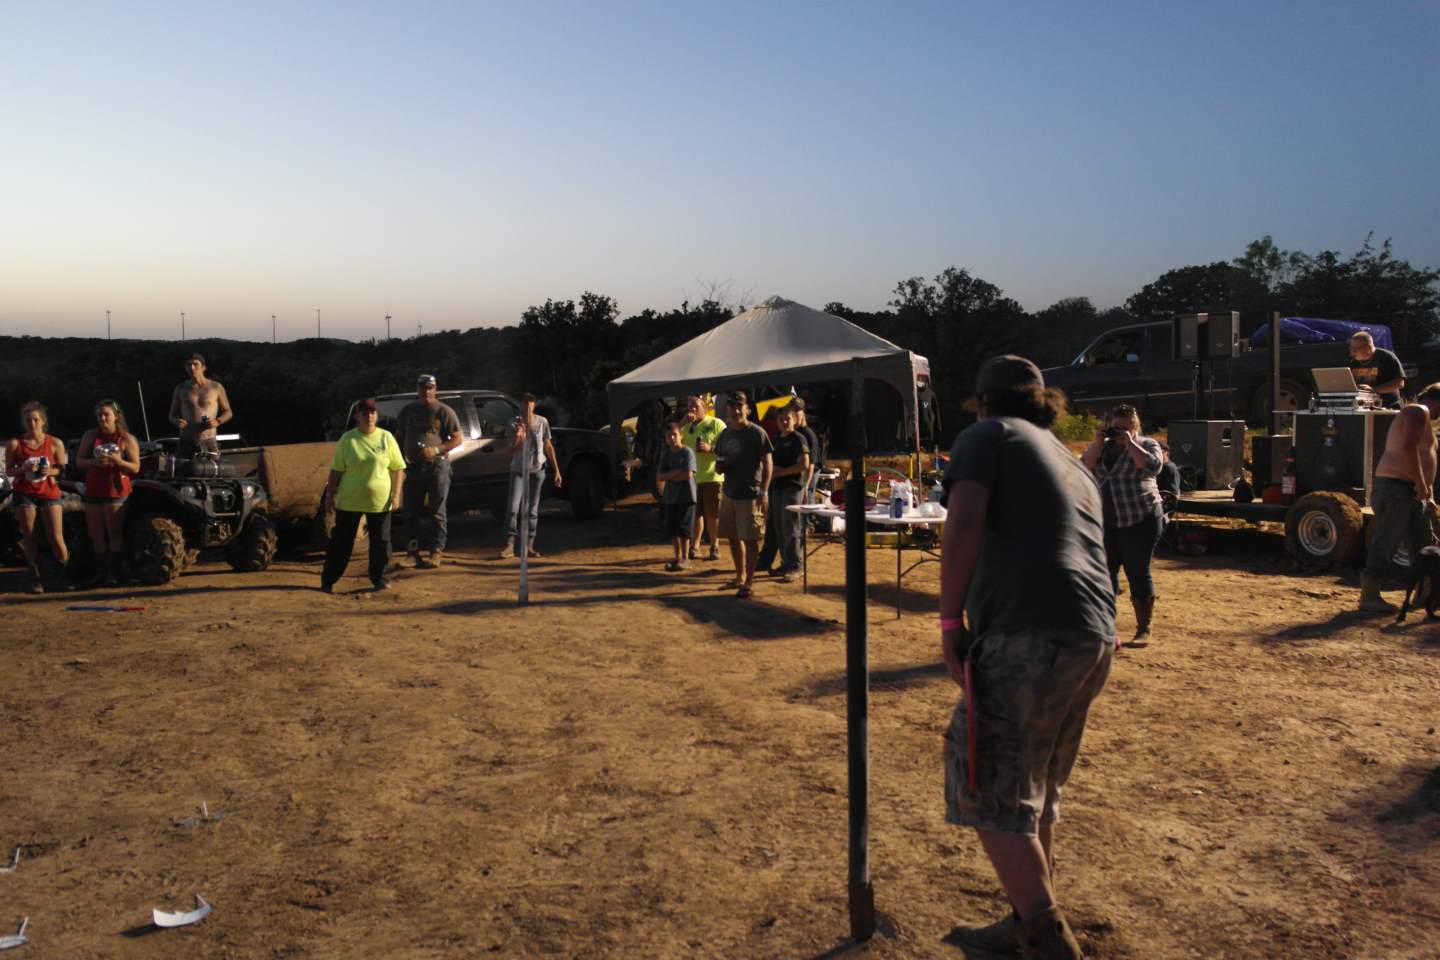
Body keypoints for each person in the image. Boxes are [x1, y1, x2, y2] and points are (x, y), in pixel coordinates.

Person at [939, 355, 1114, 960]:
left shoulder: (987, 435)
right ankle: (1025, 923)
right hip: (1091, 635)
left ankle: (1048, 942)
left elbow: (964, 518)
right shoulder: (1069, 459)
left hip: (1030, 633)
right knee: (1034, 787)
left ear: (984, 402)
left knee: (986, 785)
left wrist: (949, 620)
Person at [1081, 403, 1165, 645]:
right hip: (1106, 521)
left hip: (1140, 517)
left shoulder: (1147, 444)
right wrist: (1097, 442)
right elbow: (1084, 467)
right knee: (1105, 573)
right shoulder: (1102, 448)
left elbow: (1152, 467)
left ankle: (1144, 628)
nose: (1119, 432)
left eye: (1125, 428)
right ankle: (1105, 626)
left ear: (1135, 427)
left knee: (1137, 571)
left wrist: (1130, 442)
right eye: (1116, 427)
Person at [1358, 382, 1440, 612]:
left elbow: (1424, 457)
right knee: (1387, 541)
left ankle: (1426, 594)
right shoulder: (1417, 411)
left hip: (1413, 490)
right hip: (1396, 488)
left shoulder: (1424, 419)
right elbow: (1408, 448)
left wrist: (1429, 495)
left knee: (1424, 543)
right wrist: (1421, 484)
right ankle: (1370, 596)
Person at [321, 398, 406, 593]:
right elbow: (336, 470)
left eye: (372, 413)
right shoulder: (348, 439)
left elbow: (398, 468)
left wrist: (396, 495)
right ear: (357, 416)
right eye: (364, 413)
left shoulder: (386, 438)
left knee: (381, 543)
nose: (369, 416)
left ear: (377, 415)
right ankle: (328, 580)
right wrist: (330, 495)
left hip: (380, 502)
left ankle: (379, 578)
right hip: (350, 501)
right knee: (341, 542)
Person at [396, 374, 463, 568]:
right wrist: (398, 459)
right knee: (411, 511)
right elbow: (399, 436)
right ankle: (412, 552)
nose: (427, 391)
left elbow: (457, 439)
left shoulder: (444, 411)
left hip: (437, 466)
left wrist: (436, 449)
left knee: (437, 511)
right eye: (423, 387)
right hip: (413, 467)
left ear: (435, 389)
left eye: (430, 387)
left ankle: (436, 551)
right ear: (417, 389)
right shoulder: (407, 411)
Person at [75, 399, 141, 587]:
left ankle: (115, 573)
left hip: (115, 489)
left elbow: (136, 467)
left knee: (113, 532)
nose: (103, 418)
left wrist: (119, 462)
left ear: (116, 416)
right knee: (95, 533)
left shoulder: (126, 438)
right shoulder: (90, 435)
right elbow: (79, 461)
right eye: (99, 415)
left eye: (106, 414)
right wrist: (93, 462)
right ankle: (102, 574)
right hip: (94, 487)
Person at [714, 391, 772, 598]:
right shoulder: (725, 434)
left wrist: (764, 491)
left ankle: (748, 582)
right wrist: (720, 467)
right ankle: (739, 576)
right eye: (732, 407)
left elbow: (768, 463)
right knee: (732, 536)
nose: (736, 411)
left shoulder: (756, 433)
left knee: (750, 539)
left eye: (740, 407)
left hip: (750, 494)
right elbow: (719, 460)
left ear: (747, 409)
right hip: (730, 492)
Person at [6, 402, 68, 593]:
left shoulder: (55, 443)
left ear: (43, 421)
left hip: (49, 492)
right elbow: (9, 470)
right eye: (28, 420)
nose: (32, 424)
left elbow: (62, 470)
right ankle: (36, 578)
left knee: (56, 536)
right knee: (29, 535)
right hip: (25, 493)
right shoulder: (15, 444)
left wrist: (50, 471)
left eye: (35, 420)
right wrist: (23, 469)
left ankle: (63, 575)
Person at [499, 392, 562, 559]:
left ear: (534, 405)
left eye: (531, 403)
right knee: (513, 509)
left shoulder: (542, 422)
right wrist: (518, 436)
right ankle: (510, 545)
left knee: (532, 510)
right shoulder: (513, 423)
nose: (528, 406)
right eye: (525, 403)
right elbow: (510, 450)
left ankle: (529, 546)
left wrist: (556, 470)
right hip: (518, 470)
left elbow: (548, 446)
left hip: (537, 470)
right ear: (520, 405)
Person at [756, 405, 810, 581]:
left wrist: (780, 472)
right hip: (776, 488)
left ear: (794, 420)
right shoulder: (775, 439)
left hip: (792, 488)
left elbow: (804, 464)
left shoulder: (798, 439)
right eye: (781, 419)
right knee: (778, 527)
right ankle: (786, 563)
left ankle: (796, 565)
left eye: (788, 419)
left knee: (791, 527)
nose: (784, 422)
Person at [682, 394, 726, 561]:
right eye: (690, 407)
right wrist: (682, 422)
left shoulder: (716, 423)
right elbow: (672, 438)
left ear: (705, 408)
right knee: (696, 515)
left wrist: (710, 448)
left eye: (696, 406)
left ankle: (715, 547)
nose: (692, 410)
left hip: (712, 477)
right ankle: (695, 547)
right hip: (692, 478)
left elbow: (726, 447)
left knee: (712, 515)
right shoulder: (686, 427)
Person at [168, 353, 233, 458]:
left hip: (208, 439)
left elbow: (228, 412)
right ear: (185, 368)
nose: (192, 367)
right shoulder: (181, 388)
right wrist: (176, 421)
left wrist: (218, 421)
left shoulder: (216, 387)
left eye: (195, 364)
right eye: (189, 365)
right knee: (184, 467)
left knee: (211, 467)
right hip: (186, 439)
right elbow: (172, 415)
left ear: (203, 367)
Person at [656, 420, 697, 571]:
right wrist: (677, 473)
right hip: (671, 497)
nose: (672, 438)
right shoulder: (666, 453)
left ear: (681, 435)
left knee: (684, 529)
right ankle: (677, 557)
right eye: (669, 435)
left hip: (686, 497)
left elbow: (687, 475)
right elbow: (660, 476)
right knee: (673, 529)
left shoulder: (687, 453)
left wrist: (670, 475)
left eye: (674, 434)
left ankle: (686, 558)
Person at [1348, 330, 1405, 409]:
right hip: (1361, 407)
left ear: (1368, 348)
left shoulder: (1387, 357)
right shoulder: (1352, 361)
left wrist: (1374, 389)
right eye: (1351, 348)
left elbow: (1399, 384)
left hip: (1387, 407)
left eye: (1355, 349)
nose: (1352, 352)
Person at [789, 397, 823, 496]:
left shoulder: (808, 435)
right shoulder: (790, 432)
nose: (794, 413)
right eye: (791, 410)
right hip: (795, 477)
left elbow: (811, 464)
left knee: (807, 500)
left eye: (797, 410)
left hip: (808, 476)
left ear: (803, 413)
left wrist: (806, 486)